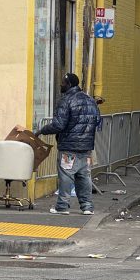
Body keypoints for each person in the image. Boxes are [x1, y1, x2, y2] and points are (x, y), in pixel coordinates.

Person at [35, 73, 100, 216]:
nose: (61, 85)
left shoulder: (66, 100)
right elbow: (97, 122)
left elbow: (59, 125)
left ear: (69, 84)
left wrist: (41, 131)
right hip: (86, 147)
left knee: (66, 176)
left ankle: (62, 206)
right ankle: (87, 207)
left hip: (69, 147)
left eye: (63, 83)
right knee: (84, 176)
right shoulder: (90, 100)